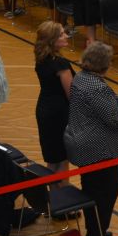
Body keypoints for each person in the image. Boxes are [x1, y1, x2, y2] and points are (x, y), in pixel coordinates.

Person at [64, 42, 118, 236]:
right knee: (105, 195)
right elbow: (115, 120)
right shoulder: (97, 87)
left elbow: (99, 108)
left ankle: (94, 233)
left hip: (84, 144)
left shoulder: (80, 78)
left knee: (91, 191)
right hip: (102, 150)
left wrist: (115, 104)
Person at [33, 22, 74, 174]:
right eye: (61, 34)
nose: (66, 36)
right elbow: (71, 94)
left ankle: (50, 188)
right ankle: (62, 189)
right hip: (59, 113)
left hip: (44, 109)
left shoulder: (42, 59)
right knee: (62, 160)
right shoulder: (60, 64)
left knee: (52, 159)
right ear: (52, 40)